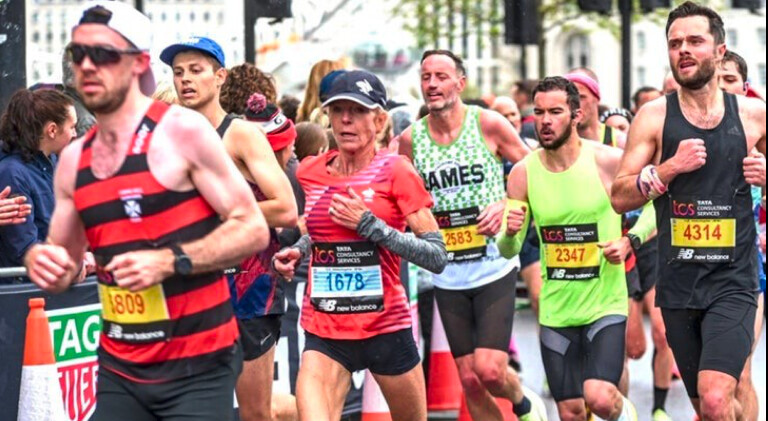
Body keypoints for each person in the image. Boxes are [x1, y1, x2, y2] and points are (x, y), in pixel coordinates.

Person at [23, 2, 269, 420]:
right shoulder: (74, 160)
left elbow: (252, 228)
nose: (87, 66)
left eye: (103, 53)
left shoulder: (182, 132)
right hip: (122, 367)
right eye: (80, 53)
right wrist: (41, 260)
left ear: (137, 64)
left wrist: (171, 260)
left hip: (198, 363)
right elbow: (63, 266)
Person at [611, 3, 766, 420]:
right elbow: (619, 196)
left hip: (733, 280)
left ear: (719, 50)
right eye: (675, 43)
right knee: (707, 405)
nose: (683, 50)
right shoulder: (654, 116)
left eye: (695, 41)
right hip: (679, 284)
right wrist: (668, 170)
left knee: (716, 396)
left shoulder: (754, 116)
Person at [273, 70, 448, 421]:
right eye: (338, 110)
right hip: (325, 330)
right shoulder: (310, 172)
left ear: (380, 120)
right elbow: (322, 232)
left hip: (385, 328)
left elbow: (436, 255)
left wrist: (371, 226)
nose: (346, 119)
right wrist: (300, 250)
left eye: (357, 110)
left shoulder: (396, 171)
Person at [397, 49, 544, 421]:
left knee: (490, 370)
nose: (432, 84)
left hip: (494, 265)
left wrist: (507, 204)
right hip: (447, 272)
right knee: (470, 380)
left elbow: (535, 173)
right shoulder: (411, 140)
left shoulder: (488, 124)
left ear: (460, 83)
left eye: (441, 76)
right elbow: (401, 198)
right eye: (426, 77)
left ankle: (526, 405)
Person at [161, 35, 298, 421]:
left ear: (220, 77)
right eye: (178, 72)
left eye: (196, 70)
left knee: (255, 413)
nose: (186, 79)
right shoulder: (170, 140)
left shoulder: (241, 134)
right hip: (193, 292)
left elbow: (286, 207)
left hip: (248, 292)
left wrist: (219, 212)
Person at [500, 76, 638, 421]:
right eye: (539, 113)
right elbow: (508, 249)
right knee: (571, 412)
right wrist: (509, 233)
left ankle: (627, 415)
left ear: (576, 115)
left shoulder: (608, 160)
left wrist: (628, 240)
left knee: (601, 398)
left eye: (555, 112)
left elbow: (653, 206)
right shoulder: (523, 173)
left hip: (604, 303)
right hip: (556, 309)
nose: (545, 121)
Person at [716, 48, 763, 421]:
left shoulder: (757, 126)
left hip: (747, 268)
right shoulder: (679, 128)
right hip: (695, 267)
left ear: (744, 87)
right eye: (715, 79)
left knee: (740, 370)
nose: (720, 87)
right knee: (711, 388)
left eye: (729, 79)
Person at [0, 89, 76, 271]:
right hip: (28, 281)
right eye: (72, 127)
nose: (75, 134)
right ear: (52, 130)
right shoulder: (13, 173)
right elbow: (23, 247)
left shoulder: (54, 162)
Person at [565, 71, 626, 148]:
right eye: (568, 99)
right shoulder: (555, 143)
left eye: (581, 97)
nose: (574, 104)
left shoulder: (619, 142)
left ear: (597, 98)